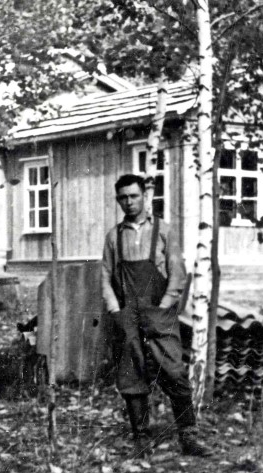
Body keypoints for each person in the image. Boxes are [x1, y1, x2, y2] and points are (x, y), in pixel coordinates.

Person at [101, 174, 211, 457]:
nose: (129, 202)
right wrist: (116, 310)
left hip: (158, 312)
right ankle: (141, 439)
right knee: (132, 375)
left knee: (174, 372)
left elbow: (178, 273)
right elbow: (105, 278)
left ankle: (189, 437)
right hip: (128, 314)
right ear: (118, 200)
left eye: (134, 196)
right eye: (123, 197)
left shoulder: (163, 230)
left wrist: (164, 305)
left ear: (144, 196)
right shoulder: (114, 236)